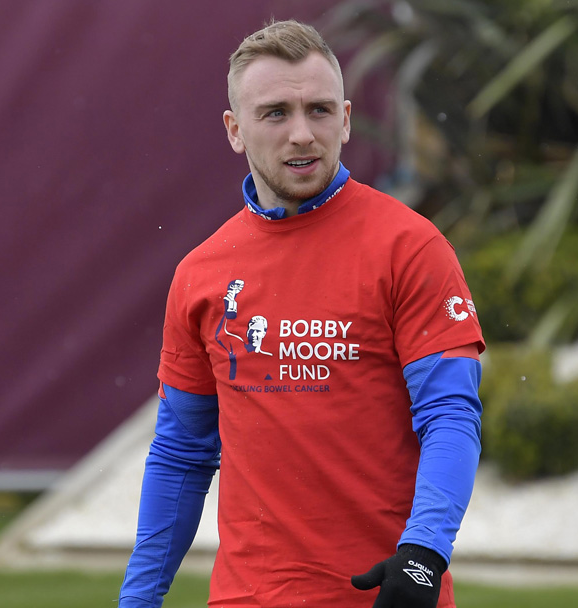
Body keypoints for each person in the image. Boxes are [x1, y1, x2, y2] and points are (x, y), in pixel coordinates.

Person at [118, 19, 484, 608]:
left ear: (343, 118)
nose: (301, 135)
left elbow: (450, 415)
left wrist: (424, 556)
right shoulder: (200, 274)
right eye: (275, 113)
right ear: (235, 131)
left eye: (318, 111)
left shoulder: (409, 247)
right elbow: (182, 453)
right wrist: (138, 599)